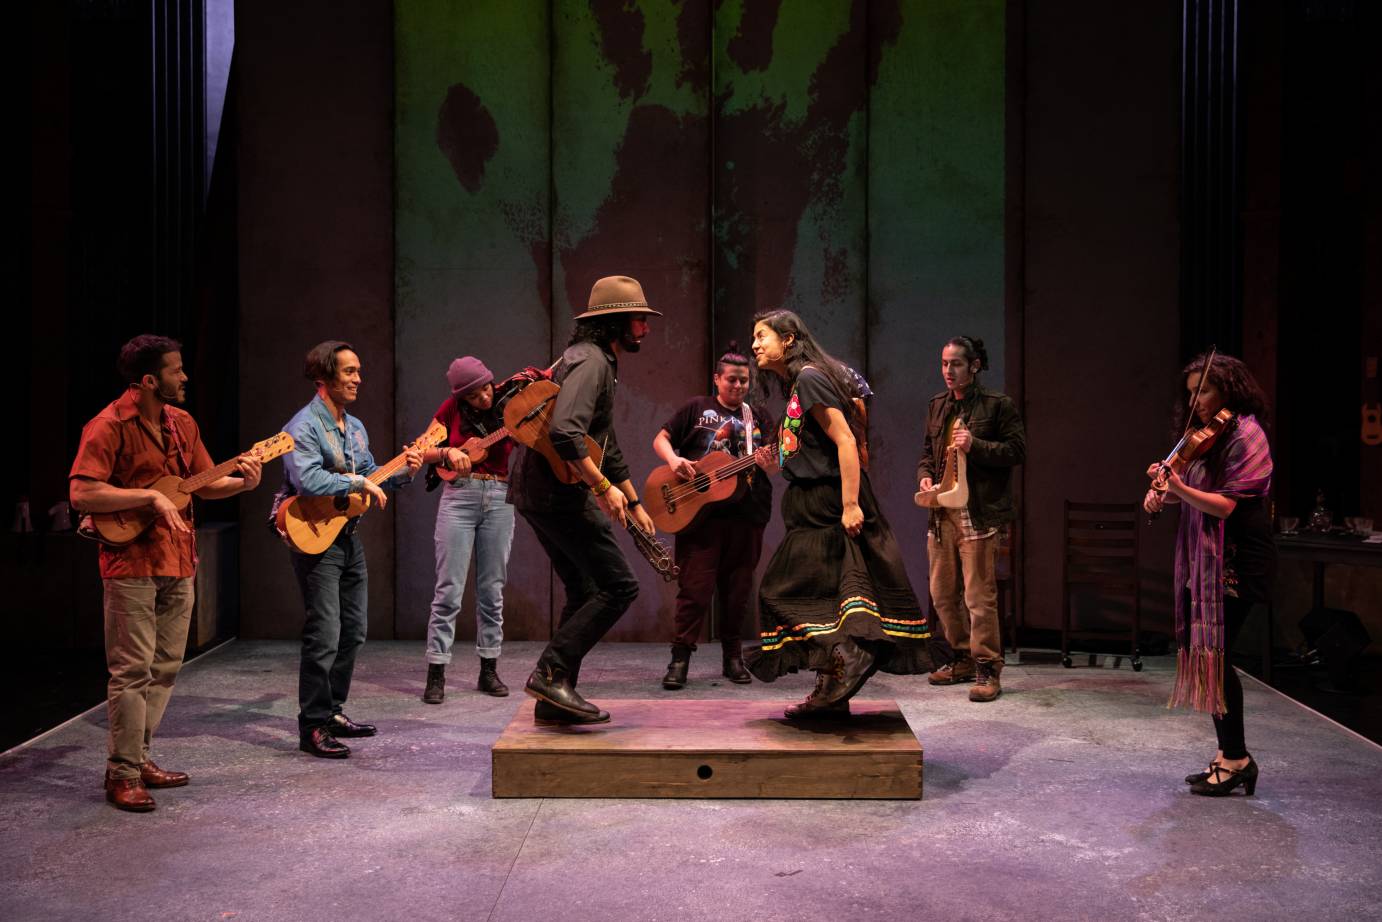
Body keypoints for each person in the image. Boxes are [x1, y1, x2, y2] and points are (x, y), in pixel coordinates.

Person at [70, 335, 263, 811]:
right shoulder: (108, 425)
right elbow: (83, 494)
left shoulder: (182, 424)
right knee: (131, 670)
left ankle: (138, 757)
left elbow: (201, 484)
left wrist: (243, 481)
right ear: (150, 380)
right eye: (177, 371)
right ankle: (122, 773)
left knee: (164, 668)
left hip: (178, 559)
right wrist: (148, 497)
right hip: (130, 562)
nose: (185, 377)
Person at [745, 310, 935, 717]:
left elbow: (845, 442)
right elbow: (808, 447)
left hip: (828, 502)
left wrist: (850, 505)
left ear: (790, 339)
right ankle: (833, 693)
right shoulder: (798, 386)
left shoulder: (810, 378)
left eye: (762, 336)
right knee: (830, 599)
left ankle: (849, 659)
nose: (755, 345)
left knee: (780, 590)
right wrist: (774, 460)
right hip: (811, 504)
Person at [511, 275, 660, 724]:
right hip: (559, 493)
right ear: (616, 322)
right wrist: (601, 488)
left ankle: (554, 698)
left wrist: (633, 502)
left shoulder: (594, 360)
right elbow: (566, 432)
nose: (645, 329)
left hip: (540, 491)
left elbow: (604, 443)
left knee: (584, 589)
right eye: (639, 319)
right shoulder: (592, 362)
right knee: (619, 586)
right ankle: (549, 673)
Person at [271, 341, 421, 758]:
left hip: (346, 536)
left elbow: (372, 474)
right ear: (324, 378)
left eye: (359, 370)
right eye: (349, 372)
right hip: (314, 538)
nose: (358, 379)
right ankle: (312, 725)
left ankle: (332, 711)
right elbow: (308, 482)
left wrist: (406, 467)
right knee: (325, 634)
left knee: (353, 632)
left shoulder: (354, 428)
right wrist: (358, 483)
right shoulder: (302, 427)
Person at [1143, 352, 1274, 796]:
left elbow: (1224, 505)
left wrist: (1178, 486)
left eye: (1205, 390)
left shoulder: (1247, 435)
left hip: (1238, 560)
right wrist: (1166, 493)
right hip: (1209, 562)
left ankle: (1237, 759)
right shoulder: (1205, 438)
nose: (1197, 401)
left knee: (1218, 660)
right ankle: (1228, 754)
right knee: (1212, 659)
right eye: (1191, 393)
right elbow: (1196, 494)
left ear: (1228, 389)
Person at [652, 342, 772, 689]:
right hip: (699, 517)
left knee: (738, 591)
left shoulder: (759, 418)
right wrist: (674, 460)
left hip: (748, 516)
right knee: (695, 590)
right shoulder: (696, 409)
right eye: (731, 380)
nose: (737, 387)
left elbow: (775, 466)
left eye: (744, 381)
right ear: (717, 379)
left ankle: (733, 657)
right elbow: (661, 438)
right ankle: (680, 658)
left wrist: (770, 462)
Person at [916, 336, 1025, 702]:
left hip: (978, 514)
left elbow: (1016, 450)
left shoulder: (997, 405)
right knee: (943, 594)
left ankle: (987, 667)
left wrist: (974, 445)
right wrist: (925, 477)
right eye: (944, 363)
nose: (949, 371)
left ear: (974, 365)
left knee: (979, 596)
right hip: (941, 513)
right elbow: (926, 454)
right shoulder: (937, 405)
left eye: (956, 364)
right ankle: (961, 656)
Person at [419, 356, 517, 703]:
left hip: (500, 495)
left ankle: (488, 668)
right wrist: (446, 453)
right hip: (459, 496)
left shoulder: (509, 405)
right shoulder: (450, 409)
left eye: (487, 388)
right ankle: (437, 672)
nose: (485, 398)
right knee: (448, 590)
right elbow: (420, 451)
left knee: (492, 590)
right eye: (475, 396)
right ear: (462, 397)